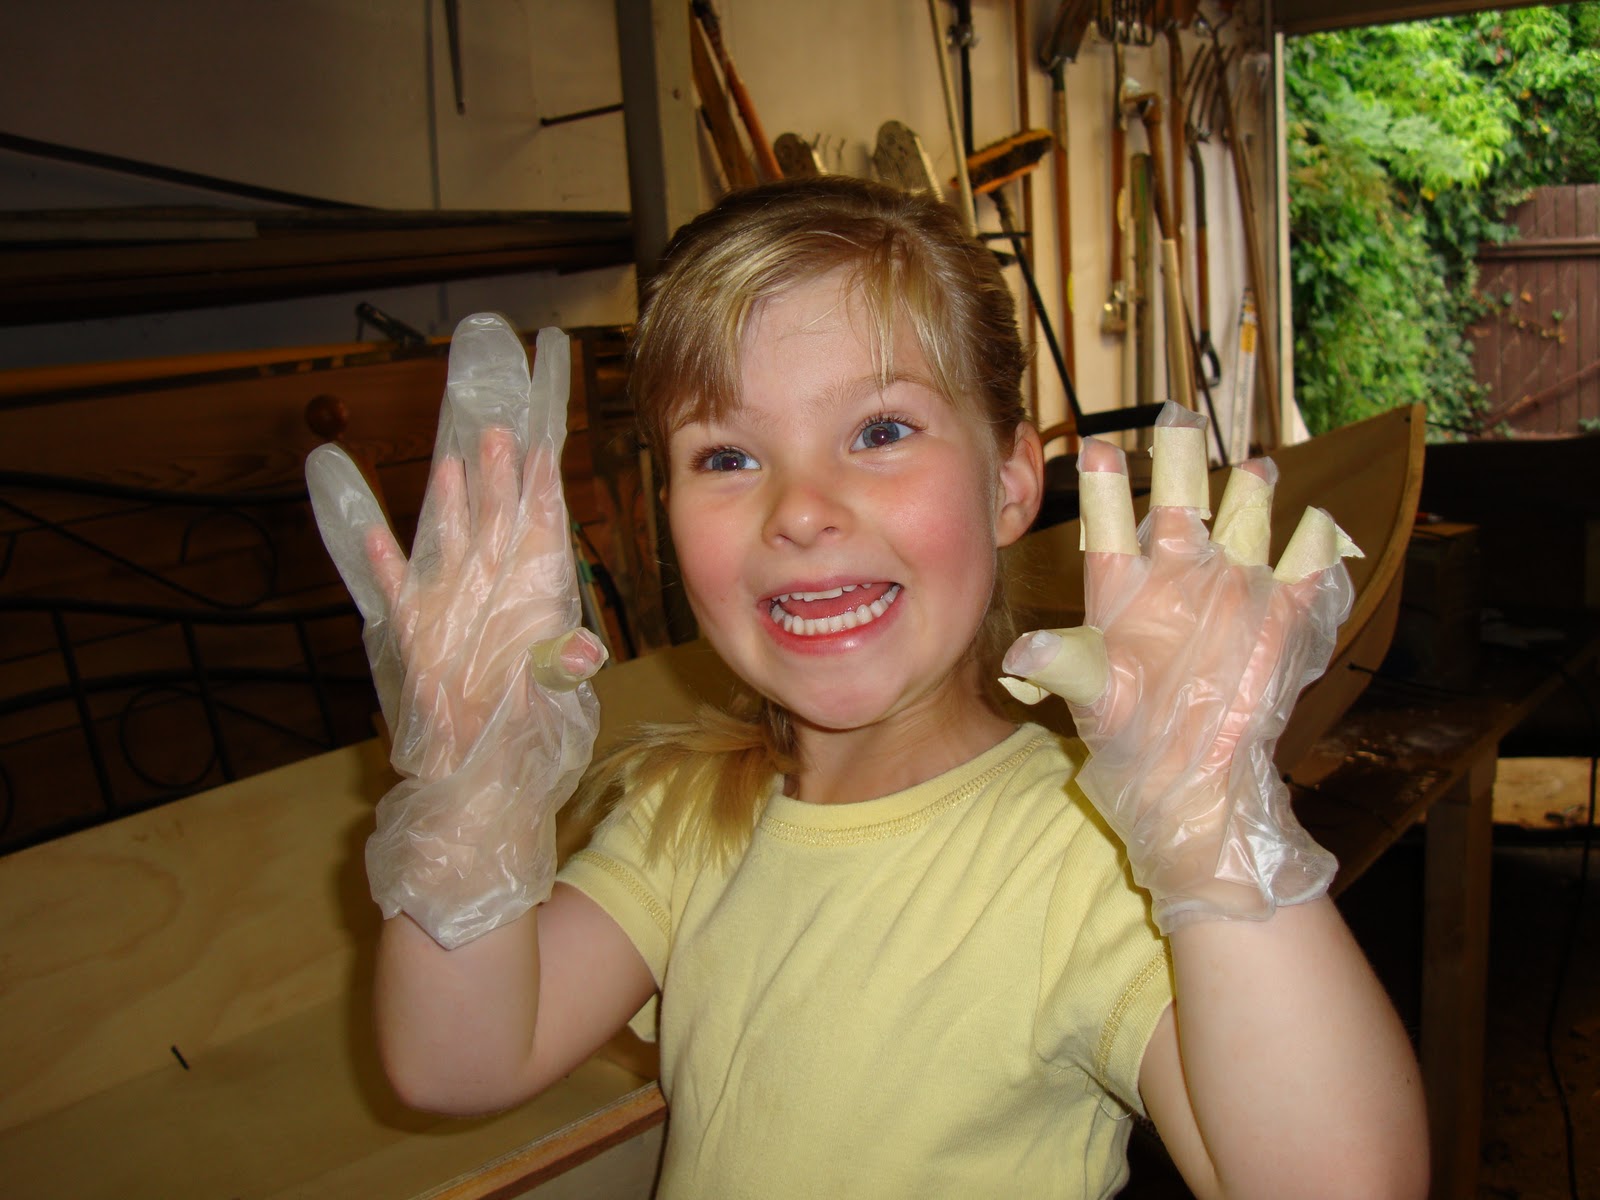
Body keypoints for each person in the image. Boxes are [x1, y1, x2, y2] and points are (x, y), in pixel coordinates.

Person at [307, 177, 1429, 1198]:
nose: (798, 509)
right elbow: (455, 1064)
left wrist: (1212, 825)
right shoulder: (686, 813)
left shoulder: (1092, 851)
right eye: (726, 457)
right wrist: (471, 788)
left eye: (879, 431)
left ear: (1007, 483)